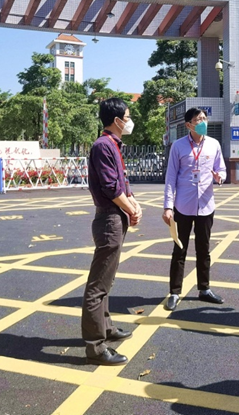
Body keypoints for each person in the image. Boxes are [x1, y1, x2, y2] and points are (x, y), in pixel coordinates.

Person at [82, 98, 142, 366]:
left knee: (107, 280)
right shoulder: (102, 146)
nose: (130, 121)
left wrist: (134, 203)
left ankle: (105, 328)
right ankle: (95, 346)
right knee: (98, 285)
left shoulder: (113, 145)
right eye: (127, 117)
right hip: (109, 219)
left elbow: (122, 182)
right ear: (117, 120)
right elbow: (110, 187)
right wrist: (130, 209)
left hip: (116, 217)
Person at [162, 107, 227, 311]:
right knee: (179, 249)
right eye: (198, 119)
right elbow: (171, 177)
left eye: (205, 118)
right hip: (183, 205)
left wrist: (220, 177)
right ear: (188, 125)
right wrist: (168, 206)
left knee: (204, 249)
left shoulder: (214, 144)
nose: (203, 122)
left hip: (206, 205)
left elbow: (221, 169)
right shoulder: (178, 146)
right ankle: (174, 292)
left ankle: (204, 289)